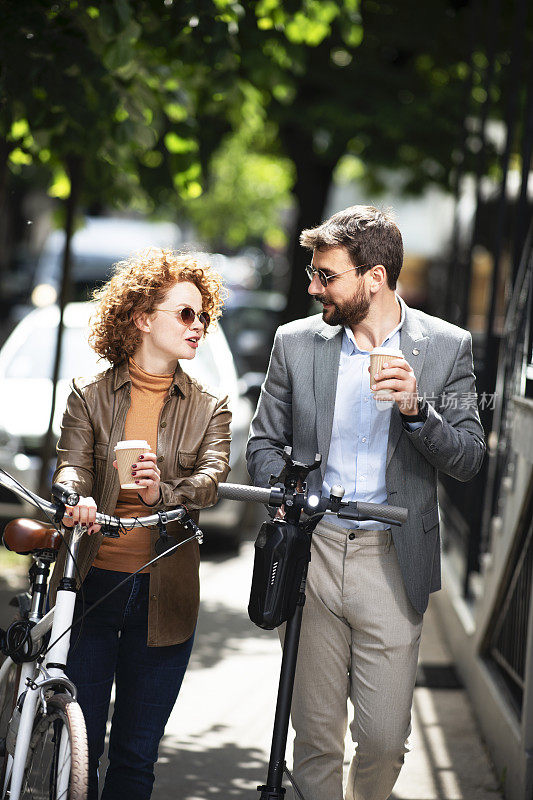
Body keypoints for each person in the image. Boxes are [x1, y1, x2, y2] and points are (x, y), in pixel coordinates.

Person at [246, 205, 486, 800]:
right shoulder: (296, 344)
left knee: (383, 740)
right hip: (314, 552)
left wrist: (416, 411)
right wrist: (290, 493)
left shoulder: (446, 348)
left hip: (393, 558)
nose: (312, 286)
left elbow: (468, 458)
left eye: (326, 275)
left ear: (373, 277)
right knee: (317, 737)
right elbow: (262, 444)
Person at [50, 248, 231, 800]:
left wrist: (163, 493)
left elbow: (212, 479)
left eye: (203, 316)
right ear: (141, 318)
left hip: (165, 596)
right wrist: (74, 497)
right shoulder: (89, 394)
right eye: (184, 314)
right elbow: (70, 466)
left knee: (135, 760)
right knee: (75, 752)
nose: (198, 326)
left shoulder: (210, 405)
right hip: (90, 588)